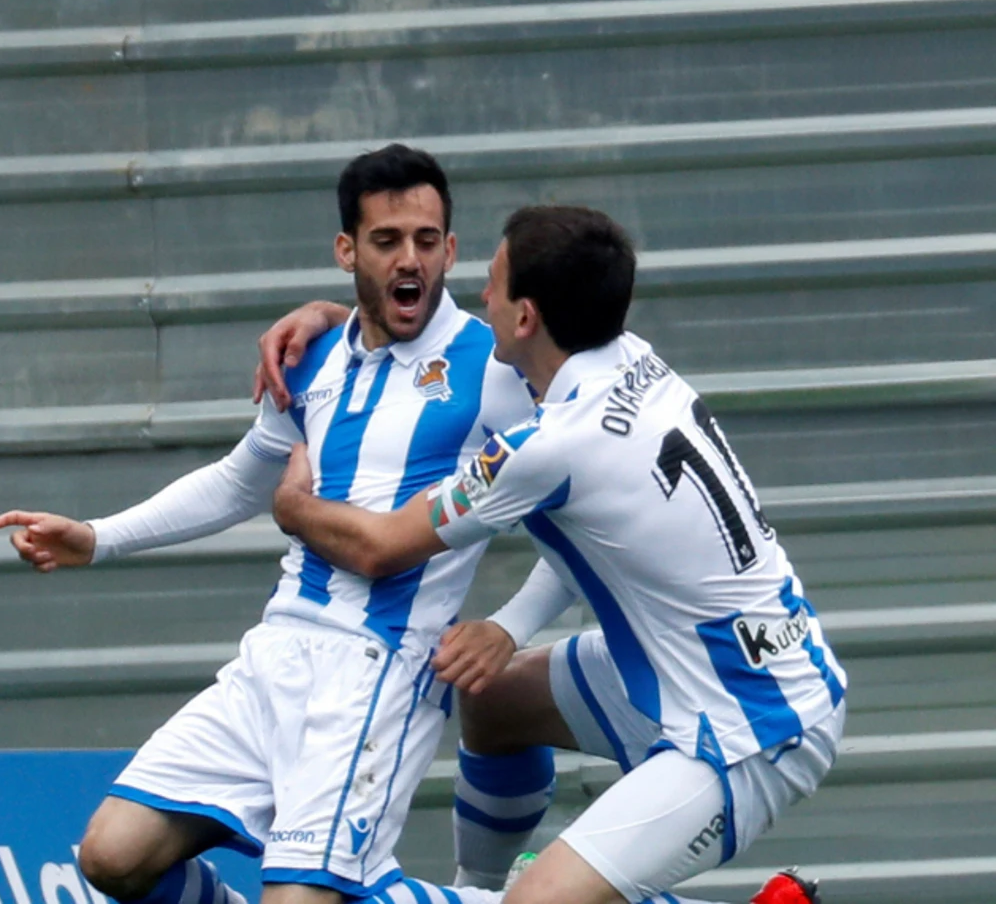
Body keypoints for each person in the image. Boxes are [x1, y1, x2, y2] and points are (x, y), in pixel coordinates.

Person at [0, 144, 541, 904]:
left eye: (425, 239)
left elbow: (576, 501)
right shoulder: (312, 353)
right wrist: (98, 535)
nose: (409, 259)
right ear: (347, 250)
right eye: (386, 241)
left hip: (377, 671)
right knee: (111, 855)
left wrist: (511, 625)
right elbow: (240, 478)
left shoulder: (494, 367)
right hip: (276, 655)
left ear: (450, 249)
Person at [261, 205, 839, 904]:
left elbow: (382, 545)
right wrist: (348, 317)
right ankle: (475, 884)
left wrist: (293, 508)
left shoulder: (549, 447)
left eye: (495, 283)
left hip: (753, 727)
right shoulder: (628, 355)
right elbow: (595, 529)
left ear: (527, 317)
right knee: (496, 702)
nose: (479, 296)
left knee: (538, 903)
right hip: (719, 661)